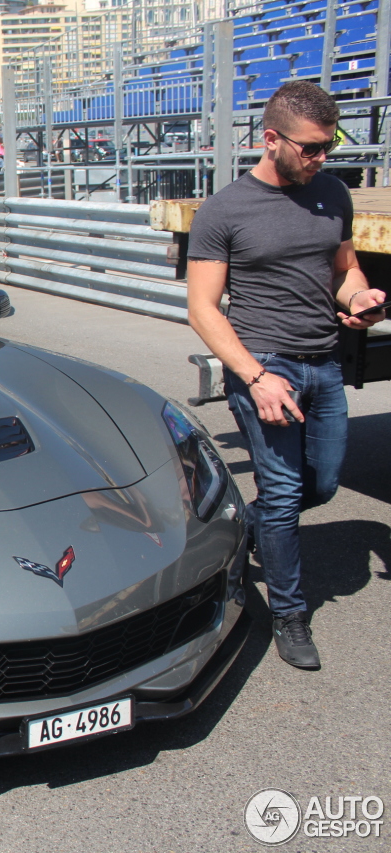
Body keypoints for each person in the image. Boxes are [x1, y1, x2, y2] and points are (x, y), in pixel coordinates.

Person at [187, 81, 385, 670]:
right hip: (265, 366)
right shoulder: (224, 210)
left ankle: (246, 524)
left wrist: (361, 296)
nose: (322, 158)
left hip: (323, 361)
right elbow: (202, 309)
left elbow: (343, 269)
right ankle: (289, 613)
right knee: (282, 491)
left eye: (330, 147)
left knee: (320, 484)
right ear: (271, 140)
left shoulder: (332, 193)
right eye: (311, 148)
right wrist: (254, 377)